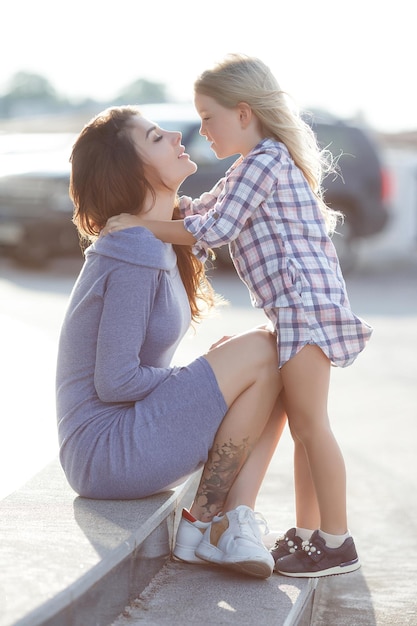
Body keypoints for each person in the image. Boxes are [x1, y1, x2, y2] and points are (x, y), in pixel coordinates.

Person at [103, 54, 373, 578]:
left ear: (243, 113)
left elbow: (216, 228)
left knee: (314, 428)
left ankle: (337, 542)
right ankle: (310, 533)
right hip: (295, 310)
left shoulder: (265, 162)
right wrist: (158, 209)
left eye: (208, 116)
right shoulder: (251, 166)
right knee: (304, 429)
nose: (200, 129)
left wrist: (134, 225)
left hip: (305, 309)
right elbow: (201, 209)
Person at [56, 104, 288, 581]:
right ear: (130, 167)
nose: (177, 138)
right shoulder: (134, 246)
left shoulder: (156, 238)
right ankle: (210, 523)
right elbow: (116, 381)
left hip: (123, 443)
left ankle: (229, 523)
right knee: (268, 348)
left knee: (281, 359)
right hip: (105, 452)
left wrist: (209, 371)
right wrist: (202, 371)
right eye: (157, 137)